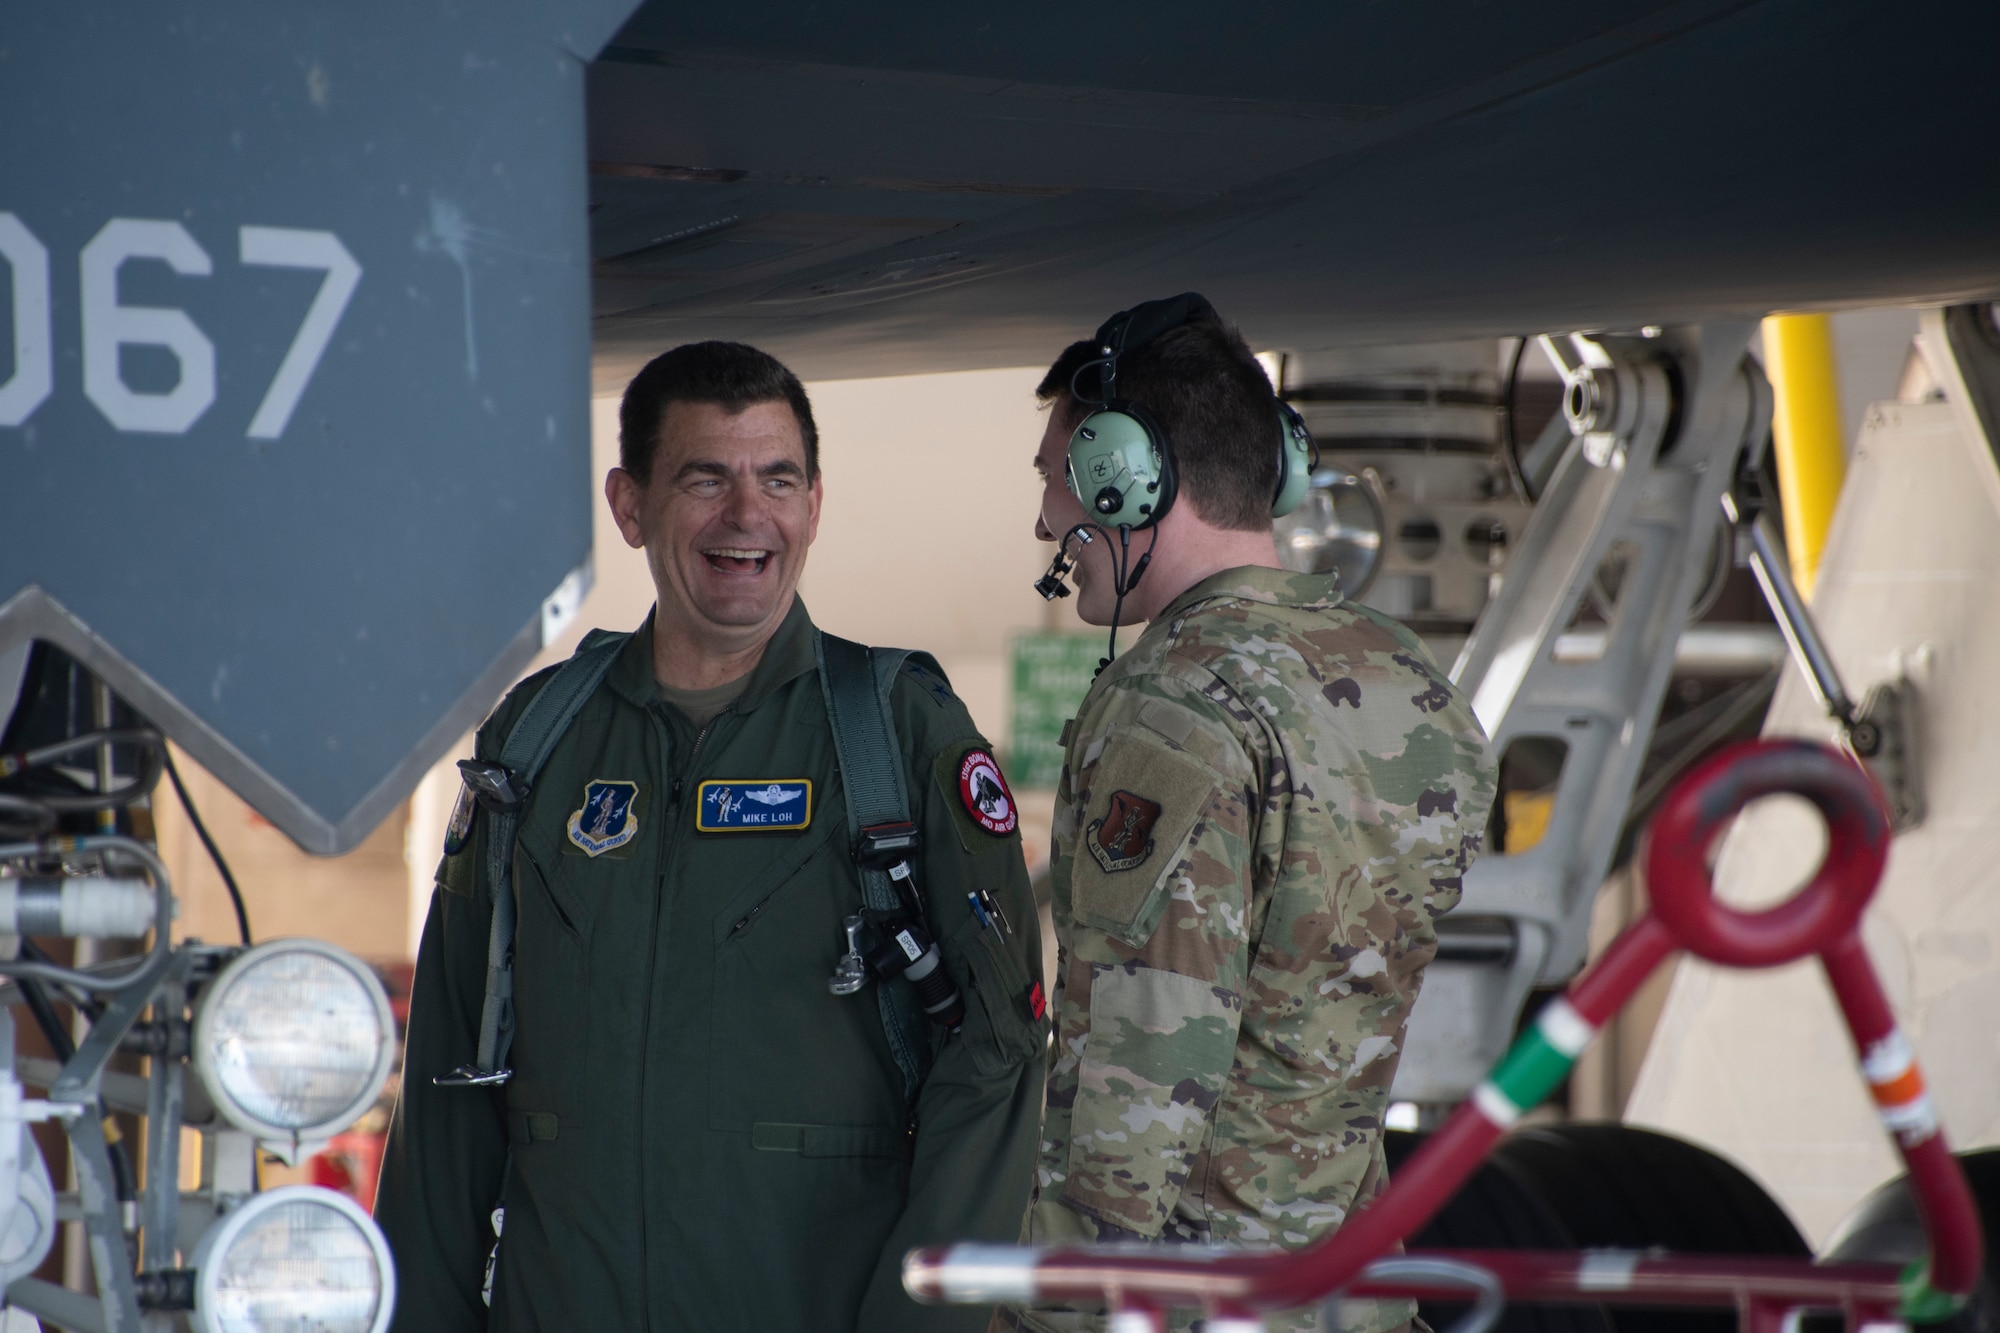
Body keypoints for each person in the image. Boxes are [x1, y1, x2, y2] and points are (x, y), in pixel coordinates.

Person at [376, 341, 1047, 1332]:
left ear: (813, 504)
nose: (747, 516)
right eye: (705, 478)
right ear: (629, 504)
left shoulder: (895, 733)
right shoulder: (537, 738)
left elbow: (995, 1056)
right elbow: (447, 1061)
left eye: (777, 479)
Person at [1009, 296, 1495, 1332]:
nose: (1050, 521)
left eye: (1058, 479)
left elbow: (1144, 1067)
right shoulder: (1408, 686)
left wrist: (1049, 1314)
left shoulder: (1171, 705)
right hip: (1353, 1294)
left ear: (1126, 476)